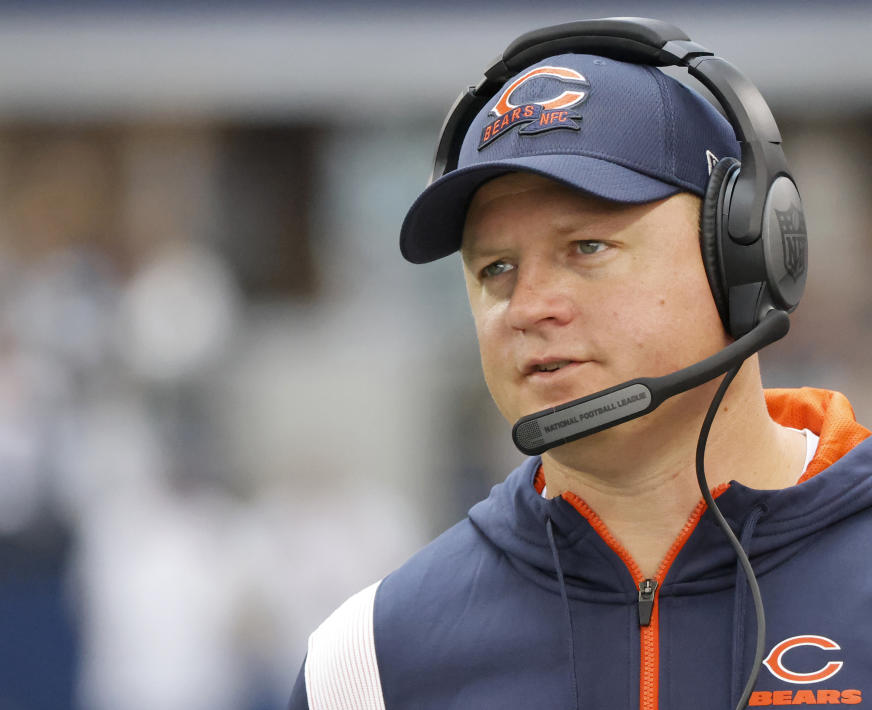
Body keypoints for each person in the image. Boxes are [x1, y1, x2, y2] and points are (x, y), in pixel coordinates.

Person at [288, 18, 872, 710]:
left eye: (588, 247)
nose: (529, 306)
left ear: (745, 255)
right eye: (495, 268)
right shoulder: (369, 663)